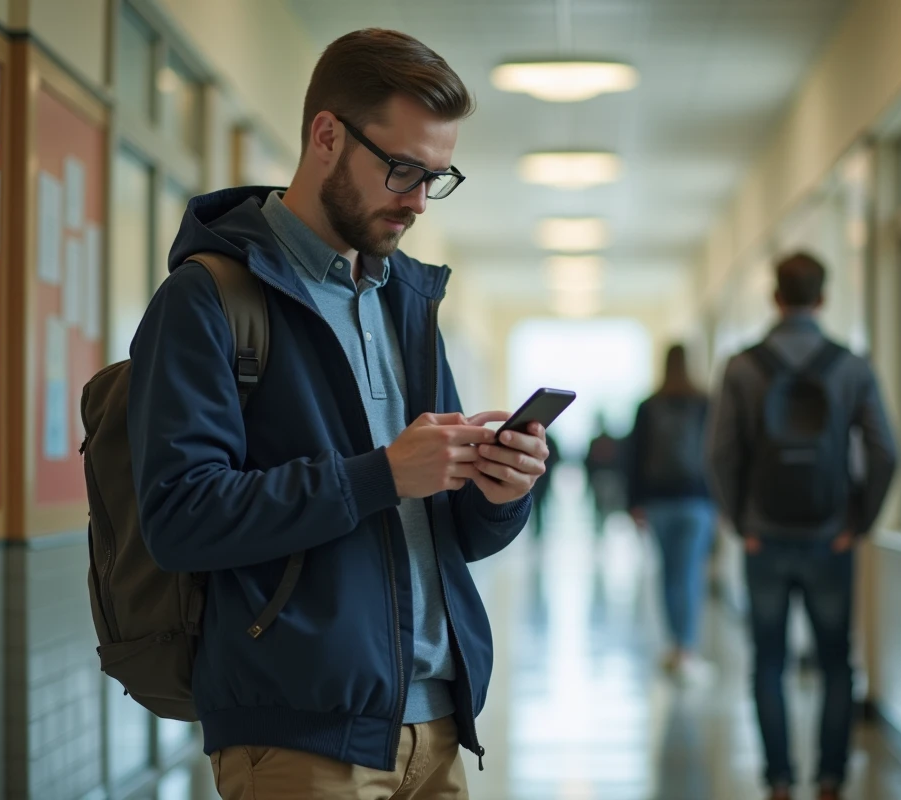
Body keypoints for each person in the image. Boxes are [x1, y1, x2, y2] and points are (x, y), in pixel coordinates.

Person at [127, 29, 547, 800]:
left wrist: (501, 492)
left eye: (436, 177)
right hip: (301, 736)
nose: (417, 200)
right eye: (403, 169)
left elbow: (450, 532)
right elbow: (180, 517)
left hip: (438, 725)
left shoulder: (407, 302)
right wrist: (381, 474)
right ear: (326, 136)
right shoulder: (208, 300)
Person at [707, 252, 898, 800]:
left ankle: (779, 781)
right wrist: (858, 522)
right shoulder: (851, 366)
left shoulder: (742, 367)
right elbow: (885, 452)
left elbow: (719, 455)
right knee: (836, 663)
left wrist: (741, 522)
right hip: (830, 537)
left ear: (775, 298)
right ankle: (831, 780)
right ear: (823, 298)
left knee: (769, 662)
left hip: (763, 537)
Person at [626, 344, 717, 684]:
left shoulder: (648, 406)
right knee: (690, 574)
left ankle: (674, 647)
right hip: (697, 501)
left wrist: (634, 503)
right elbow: (717, 454)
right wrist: (721, 502)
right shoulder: (705, 403)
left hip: (658, 501)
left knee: (668, 574)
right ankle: (687, 651)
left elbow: (632, 457)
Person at [583, 415, 626, 532]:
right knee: (601, 506)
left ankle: (603, 526)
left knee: (605, 506)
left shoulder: (604, 442)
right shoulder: (601, 441)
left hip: (606, 478)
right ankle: (601, 526)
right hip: (601, 478)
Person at [529, 431, 561, 538]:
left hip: (541, 477)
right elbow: (557, 457)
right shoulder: (549, 439)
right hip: (542, 477)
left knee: (536, 502)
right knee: (538, 502)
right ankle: (538, 526)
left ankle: (537, 526)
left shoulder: (544, 439)